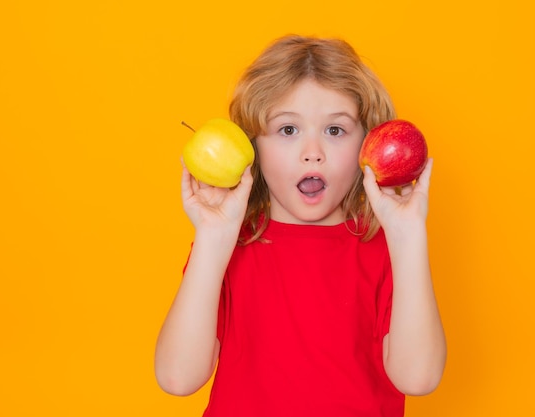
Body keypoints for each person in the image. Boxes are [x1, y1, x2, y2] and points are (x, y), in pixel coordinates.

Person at [155, 34, 446, 416]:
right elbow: (177, 378)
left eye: (335, 130)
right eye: (288, 130)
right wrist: (211, 237)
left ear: (367, 142)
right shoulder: (227, 244)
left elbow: (419, 378)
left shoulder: (388, 248)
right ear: (252, 145)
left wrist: (408, 237)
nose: (313, 153)